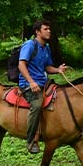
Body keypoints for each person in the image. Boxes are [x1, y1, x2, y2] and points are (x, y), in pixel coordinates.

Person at [18, 20, 68, 154]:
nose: (49, 31)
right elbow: (21, 65)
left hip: (43, 83)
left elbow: (46, 67)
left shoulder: (46, 47)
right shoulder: (29, 45)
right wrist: (31, 82)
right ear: (37, 32)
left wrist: (58, 70)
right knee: (37, 105)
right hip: (29, 85)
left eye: (49, 29)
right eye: (46, 29)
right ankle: (30, 140)